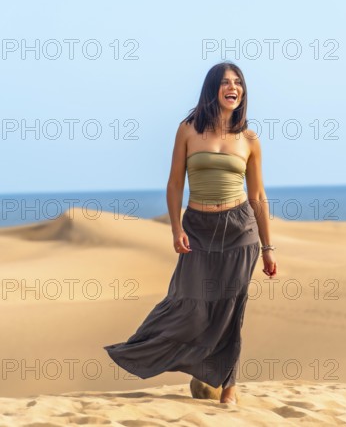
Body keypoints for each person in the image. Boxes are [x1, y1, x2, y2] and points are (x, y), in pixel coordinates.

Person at [103, 61, 277, 404]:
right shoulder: (188, 130)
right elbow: (174, 183)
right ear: (212, 88)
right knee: (187, 303)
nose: (233, 87)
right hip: (198, 227)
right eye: (226, 82)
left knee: (230, 306)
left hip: (240, 230)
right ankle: (166, 358)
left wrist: (269, 247)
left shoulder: (250, 139)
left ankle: (229, 385)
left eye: (238, 82)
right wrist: (175, 227)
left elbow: (257, 197)